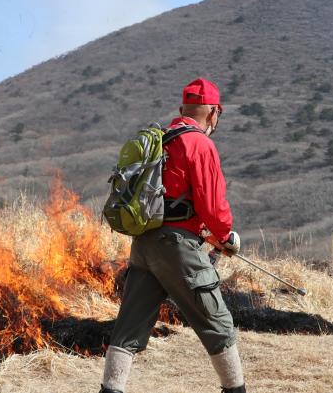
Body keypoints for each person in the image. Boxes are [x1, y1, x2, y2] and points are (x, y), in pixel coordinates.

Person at [99, 78, 246, 393]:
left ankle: (110, 389)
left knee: (128, 330)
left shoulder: (160, 140)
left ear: (182, 109)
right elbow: (213, 207)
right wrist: (226, 236)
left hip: (144, 245)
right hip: (178, 249)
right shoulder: (200, 144)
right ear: (213, 112)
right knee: (218, 323)